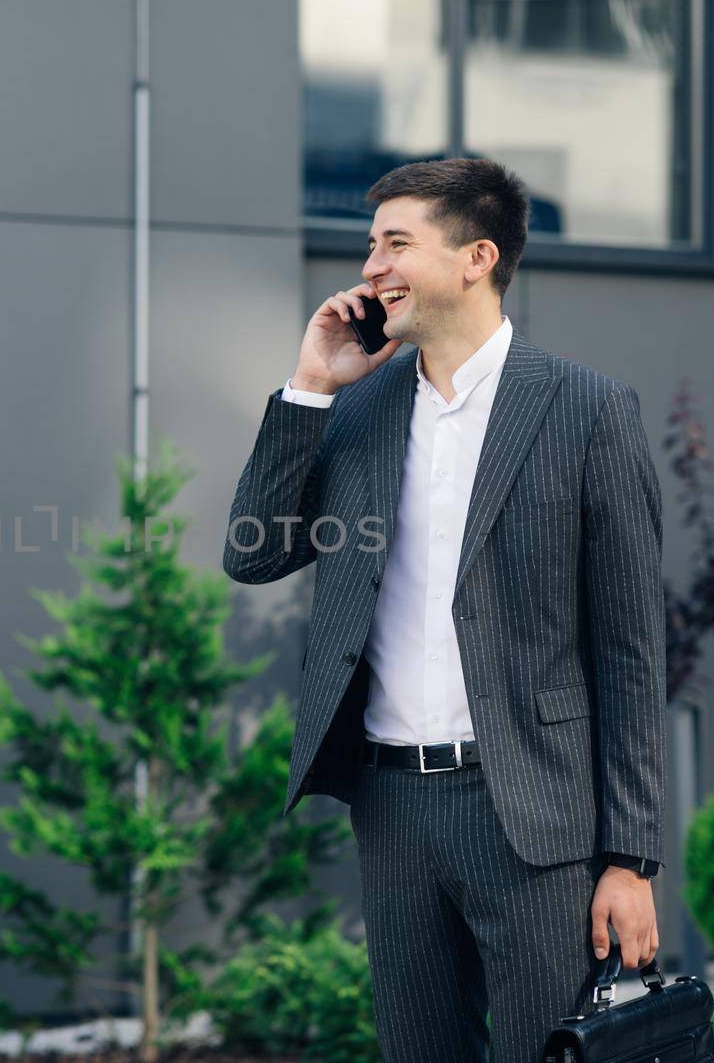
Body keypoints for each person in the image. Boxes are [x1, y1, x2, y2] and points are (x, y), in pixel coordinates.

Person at [221, 157, 667, 1062]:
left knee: (550, 1051)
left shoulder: (587, 411)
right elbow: (255, 551)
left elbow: (629, 651)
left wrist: (630, 859)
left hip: (533, 812)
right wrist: (311, 386)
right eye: (370, 244)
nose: (371, 266)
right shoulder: (359, 409)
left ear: (476, 257)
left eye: (396, 243)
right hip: (391, 806)